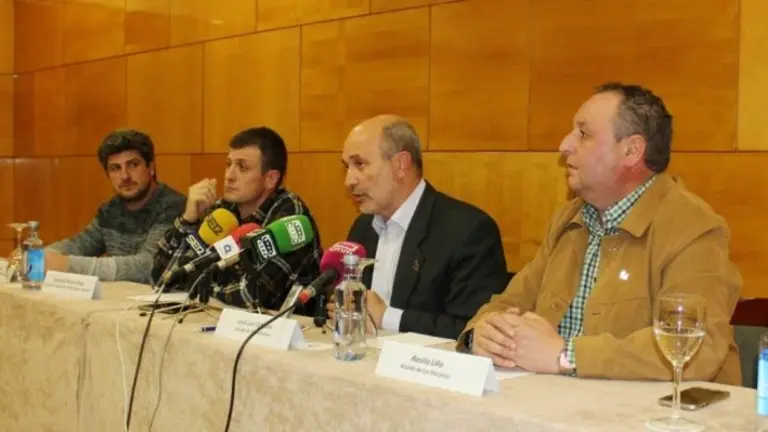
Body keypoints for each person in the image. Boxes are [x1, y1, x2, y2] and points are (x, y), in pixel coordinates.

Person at [460, 82, 742, 384]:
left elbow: (697, 348)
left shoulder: (693, 227)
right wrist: (481, 334)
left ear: (631, 150)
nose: (564, 145)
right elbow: (508, 303)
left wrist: (566, 355)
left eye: (583, 134)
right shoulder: (569, 219)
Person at [330, 114, 509, 339]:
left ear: (401, 164)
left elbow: (473, 328)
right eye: (347, 167)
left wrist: (386, 317)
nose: (349, 180)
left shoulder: (468, 231)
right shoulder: (363, 227)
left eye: (360, 164)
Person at [151, 126, 322, 313]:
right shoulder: (225, 209)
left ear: (271, 179)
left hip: (282, 328)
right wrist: (188, 220)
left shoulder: (291, 216)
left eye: (242, 167)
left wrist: (195, 284)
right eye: (228, 164)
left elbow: (253, 296)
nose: (229, 176)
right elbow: (161, 279)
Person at [45, 129, 186, 284]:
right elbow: (79, 245)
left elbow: (148, 267)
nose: (125, 176)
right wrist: (40, 257)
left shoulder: (175, 208)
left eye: (133, 165)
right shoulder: (110, 210)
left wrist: (68, 265)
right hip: (120, 297)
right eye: (115, 168)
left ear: (151, 168)